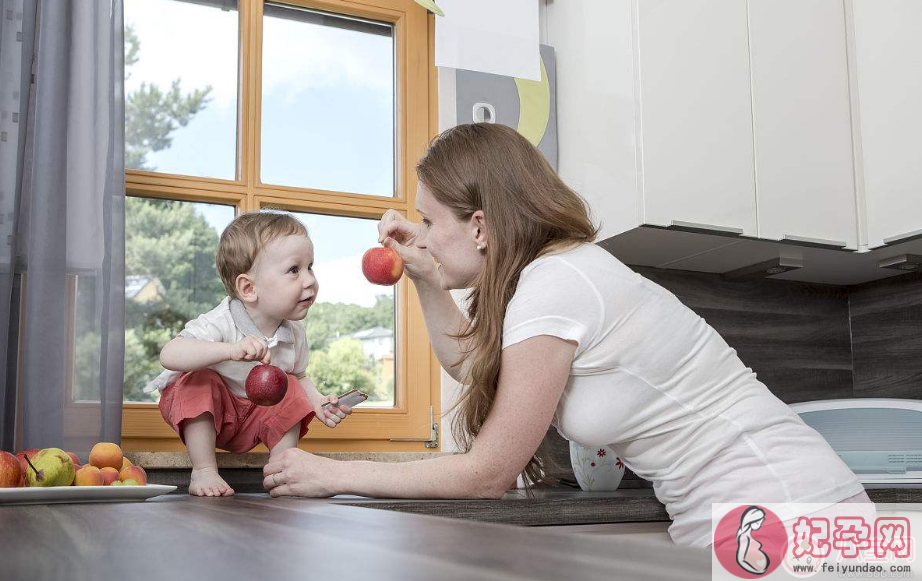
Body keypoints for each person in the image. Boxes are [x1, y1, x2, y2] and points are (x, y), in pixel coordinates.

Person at [262, 123, 870, 548]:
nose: (421, 234)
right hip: (757, 516)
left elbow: (487, 473)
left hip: (789, 509)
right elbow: (477, 366)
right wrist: (426, 276)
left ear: (479, 226)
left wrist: (332, 472)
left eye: (430, 220)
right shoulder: (554, 276)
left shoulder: (559, 282)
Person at [146, 212, 354, 497]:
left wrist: (317, 400)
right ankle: (204, 470)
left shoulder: (293, 332)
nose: (309, 280)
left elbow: (299, 375)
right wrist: (229, 351)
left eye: (310, 267)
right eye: (294, 269)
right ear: (249, 288)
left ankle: (282, 472)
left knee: (290, 384)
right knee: (198, 378)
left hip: (253, 417)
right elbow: (170, 354)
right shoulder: (222, 321)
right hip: (211, 418)